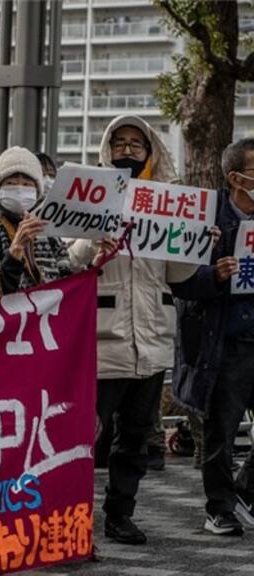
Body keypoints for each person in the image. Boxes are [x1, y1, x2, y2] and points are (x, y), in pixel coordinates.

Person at [68, 114, 197, 545]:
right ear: (107, 149)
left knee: (136, 437)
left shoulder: (168, 199)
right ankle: (71, 516)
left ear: (150, 151)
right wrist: (98, 233)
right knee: (85, 433)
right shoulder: (91, 194)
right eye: (118, 142)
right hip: (104, 339)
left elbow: (177, 274)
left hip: (153, 337)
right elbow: (73, 258)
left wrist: (197, 241)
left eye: (135, 144)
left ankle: (120, 514)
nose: (126, 149)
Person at [171, 137, 254, 536]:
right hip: (223, 342)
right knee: (222, 430)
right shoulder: (205, 219)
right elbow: (179, 281)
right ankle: (219, 508)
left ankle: (242, 489)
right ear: (236, 177)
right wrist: (214, 275)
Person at [0, 146, 84, 298]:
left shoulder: (48, 233)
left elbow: (68, 283)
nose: (20, 189)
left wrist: (95, 264)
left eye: (27, 184)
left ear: (37, 191)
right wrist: (15, 250)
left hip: (46, 320)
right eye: (11, 183)